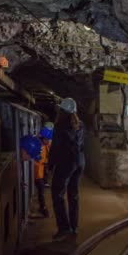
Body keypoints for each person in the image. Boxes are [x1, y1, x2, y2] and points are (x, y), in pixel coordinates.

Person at [48, 98, 85, 241]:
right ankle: (74, 227)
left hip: (66, 163)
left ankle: (64, 228)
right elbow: (82, 144)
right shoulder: (81, 125)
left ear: (62, 111)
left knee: (57, 194)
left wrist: (50, 166)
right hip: (80, 162)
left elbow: (55, 148)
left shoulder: (60, 126)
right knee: (73, 194)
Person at [34, 126, 53, 217]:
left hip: (40, 173)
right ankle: (44, 209)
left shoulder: (44, 145)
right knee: (41, 191)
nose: (49, 141)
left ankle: (43, 208)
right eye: (48, 139)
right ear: (44, 138)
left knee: (41, 191)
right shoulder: (39, 146)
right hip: (37, 174)